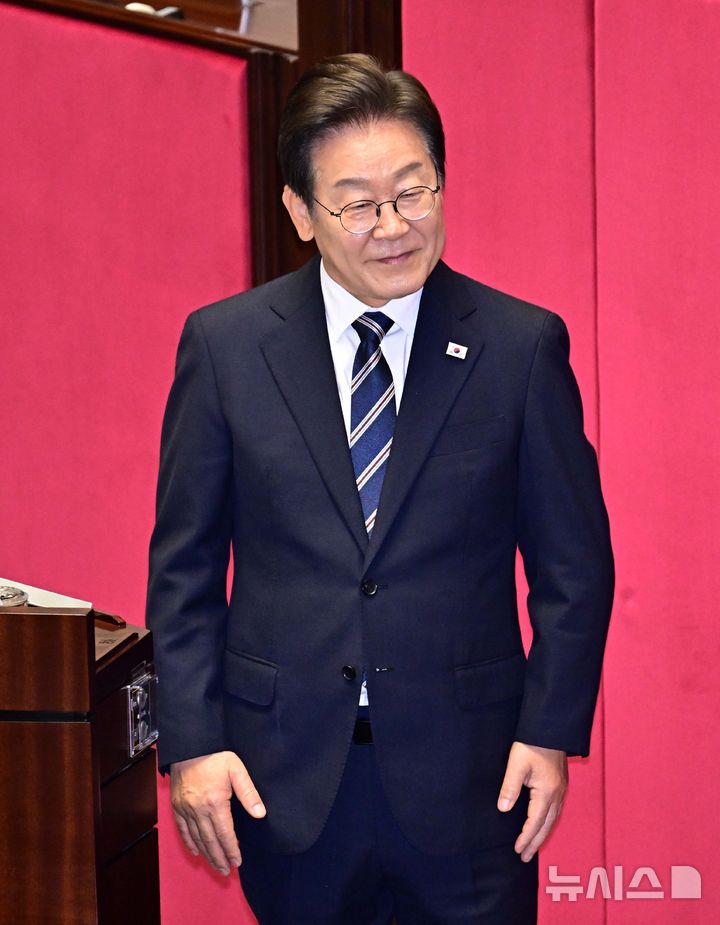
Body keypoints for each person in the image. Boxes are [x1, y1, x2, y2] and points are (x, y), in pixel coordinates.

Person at [147, 54, 614, 924]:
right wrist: (196, 742)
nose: (393, 226)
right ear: (300, 211)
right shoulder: (226, 347)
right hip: (285, 777)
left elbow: (575, 568)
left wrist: (549, 730)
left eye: (413, 191)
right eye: (358, 204)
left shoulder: (519, 348)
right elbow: (185, 572)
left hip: (472, 777)